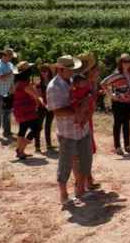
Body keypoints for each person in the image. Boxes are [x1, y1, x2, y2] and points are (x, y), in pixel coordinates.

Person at [46, 55, 93, 205]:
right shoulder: (54, 87)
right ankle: (64, 195)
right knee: (65, 164)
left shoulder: (73, 81)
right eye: (69, 69)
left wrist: (85, 105)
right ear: (60, 69)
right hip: (67, 132)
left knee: (85, 160)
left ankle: (80, 191)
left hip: (82, 129)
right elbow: (57, 111)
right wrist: (79, 109)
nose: (72, 72)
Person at [101, 53, 130, 156]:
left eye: (128, 61)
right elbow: (103, 83)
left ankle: (127, 145)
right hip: (118, 102)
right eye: (124, 61)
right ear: (120, 63)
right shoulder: (116, 74)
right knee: (117, 123)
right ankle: (117, 146)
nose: (127, 63)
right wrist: (111, 95)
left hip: (129, 102)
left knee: (126, 123)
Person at [77, 53, 101, 190]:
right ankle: (86, 181)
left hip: (87, 118)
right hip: (84, 119)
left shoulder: (90, 83)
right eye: (96, 69)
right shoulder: (84, 83)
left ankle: (88, 179)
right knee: (84, 149)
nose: (98, 72)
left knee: (87, 149)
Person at [12, 62, 44, 159]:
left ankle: (19, 150)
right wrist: (41, 103)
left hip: (19, 109)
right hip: (27, 111)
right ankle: (21, 149)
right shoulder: (25, 84)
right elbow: (36, 96)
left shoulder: (17, 82)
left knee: (23, 128)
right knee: (37, 128)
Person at [0, 47, 16, 139]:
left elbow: (12, 77)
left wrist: (13, 87)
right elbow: (1, 77)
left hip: (9, 92)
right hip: (0, 93)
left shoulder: (10, 65)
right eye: (10, 56)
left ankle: (7, 131)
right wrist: (10, 73)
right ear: (4, 56)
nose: (11, 58)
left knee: (8, 112)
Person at [36, 64, 55, 151]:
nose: (43, 73)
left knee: (48, 126)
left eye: (45, 71)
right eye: (42, 71)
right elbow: (39, 96)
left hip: (51, 107)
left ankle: (49, 145)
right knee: (39, 126)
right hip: (41, 107)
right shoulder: (39, 84)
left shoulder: (53, 83)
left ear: (49, 72)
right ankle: (37, 146)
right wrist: (44, 104)